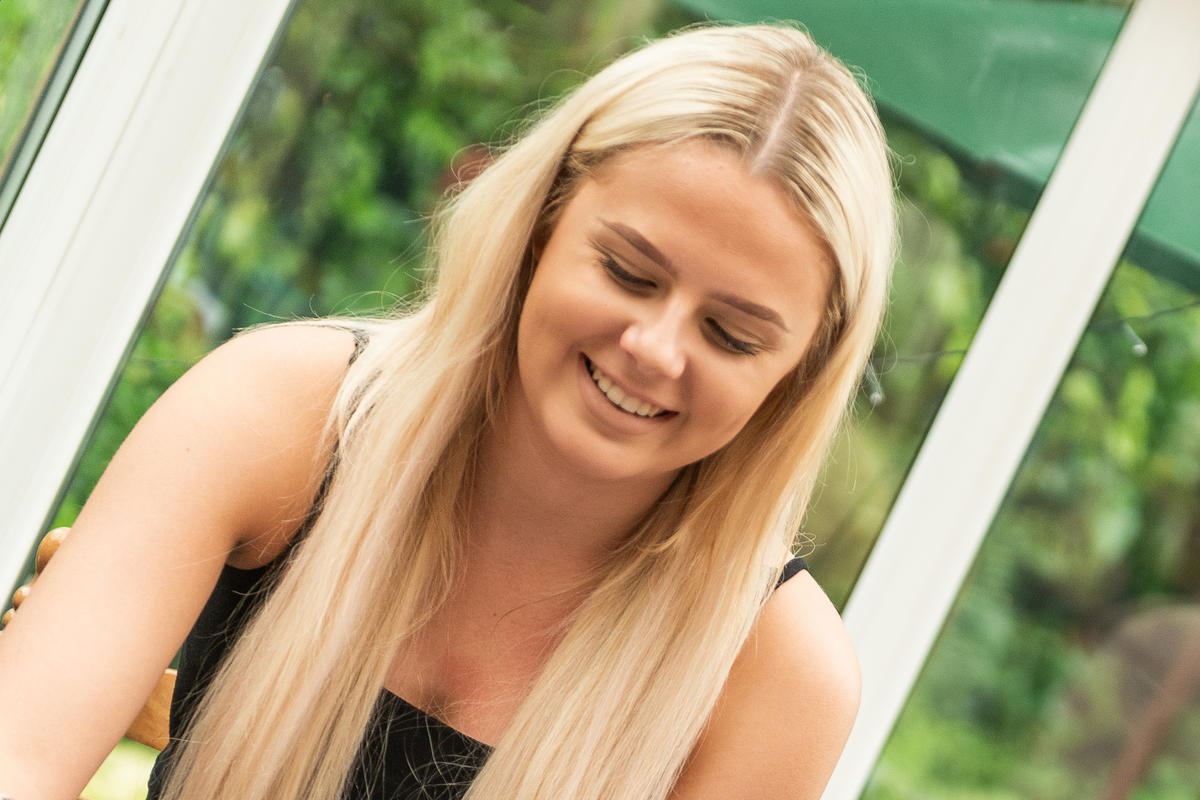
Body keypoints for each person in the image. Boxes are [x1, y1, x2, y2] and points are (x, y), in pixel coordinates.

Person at [0, 22, 893, 800]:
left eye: (732, 335)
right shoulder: (285, 411)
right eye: (627, 272)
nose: (655, 350)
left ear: (800, 376)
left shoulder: (781, 675)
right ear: (539, 226)